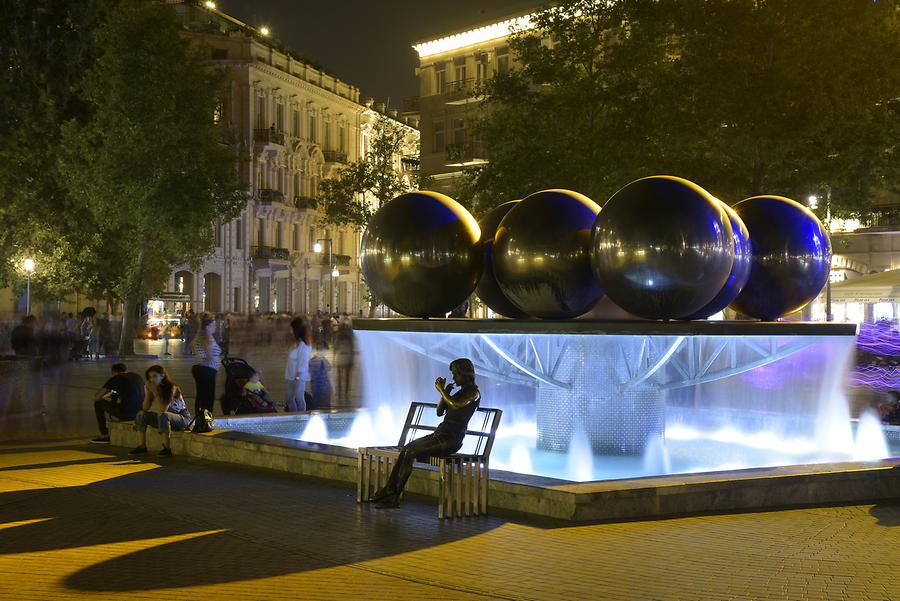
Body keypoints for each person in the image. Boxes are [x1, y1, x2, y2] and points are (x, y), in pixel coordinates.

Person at [370, 358, 480, 509]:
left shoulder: (474, 392)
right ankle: (389, 491)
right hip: (440, 435)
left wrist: (441, 390)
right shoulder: (460, 392)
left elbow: (456, 405)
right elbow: (439, 412)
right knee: (407, 449)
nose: (454, 378)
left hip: (451, 439)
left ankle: (392, 495)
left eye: (456, 374)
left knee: (411, 452)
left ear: (465, 374)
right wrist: (445, 393)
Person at [130, 365, 191, 456]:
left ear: (162, 376)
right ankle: (142, 446)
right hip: (164, 418)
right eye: (150, 377)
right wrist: (149, 392)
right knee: (142, 414)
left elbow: (163, 409)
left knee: (164, 415)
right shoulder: (152, 388)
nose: (152, 379)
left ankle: (167, 448)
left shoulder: (172, 387)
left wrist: (155, 391)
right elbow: (145, 408)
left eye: (155, 376)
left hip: (182, 418)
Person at [90, 362, 144, 443]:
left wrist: (109, 395)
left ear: (113, 372)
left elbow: (97, 397)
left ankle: (104, 435)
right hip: (140, 412)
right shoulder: (137, 376)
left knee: (98, 403)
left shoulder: (116, 378)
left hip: (127, 414)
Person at [190, 316, 222, 416]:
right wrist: (209, 360)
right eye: (212, 325)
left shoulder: (201, 335)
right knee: (208, 397)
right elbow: (209, 356)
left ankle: (200, 417)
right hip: (207, 369)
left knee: (201, 395)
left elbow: (192, 346)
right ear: (207, 326)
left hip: (201, 368)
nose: (215, 326)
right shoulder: (207, 337)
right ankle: (206, 418)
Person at [284, 317, 311, 411]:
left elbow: (303, 362)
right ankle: (294, 416)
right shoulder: (297, 342)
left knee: (299, 398)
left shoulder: (304, 345)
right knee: (289, 398)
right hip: (292, 376)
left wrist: (297, 378)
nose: (290, 331)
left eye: (291, 329)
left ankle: (301, 418)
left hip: (298, 377)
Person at [308, 341, 333, 409]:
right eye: (326, 351)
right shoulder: (326, 362)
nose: (326, 352)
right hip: (325, 389)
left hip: (315, 389)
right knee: (326, 408)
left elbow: (309, 375)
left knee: (316, 407)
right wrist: (332, 387)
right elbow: (330, 377)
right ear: (323, 350)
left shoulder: (311, 361)